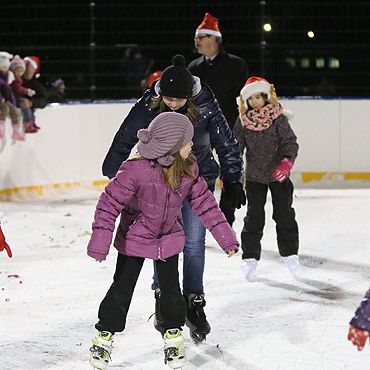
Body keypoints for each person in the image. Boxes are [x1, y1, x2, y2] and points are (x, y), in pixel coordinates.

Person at [102, 54, 245, 342]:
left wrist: (231, 180)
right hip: (157, 184)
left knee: (193, 244)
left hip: (195, 178)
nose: (173, 103)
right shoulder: (150, 102)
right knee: (160, 239)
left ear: (189, 96)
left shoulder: (205, 103)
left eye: (179, 100)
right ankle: (164, 296)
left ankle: (193, 300)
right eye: (168, 98)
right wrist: (114, 164)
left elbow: (224, 141)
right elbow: (128, 132)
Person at [87, 112, 239, 370]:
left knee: (171, 291)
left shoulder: (188, 169)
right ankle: (104, 337)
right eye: (187, 141)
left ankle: (172, 336)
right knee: (122, 290)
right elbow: (108, 204)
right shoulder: (135, 170)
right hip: (134, 238)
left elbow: (207, 206)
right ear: (172, 144)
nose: (192, 145)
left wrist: (226, 239)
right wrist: (100, 242)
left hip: (168, 238)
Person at [233, 76, 299, 280]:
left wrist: (286, 163)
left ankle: (290, 254)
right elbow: (236, 147)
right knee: (254, 217)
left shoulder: (278, 118)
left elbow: (290, 143)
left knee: (284, 213)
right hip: (254, 177)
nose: (254, 102)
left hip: (279, 176)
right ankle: (250, 257)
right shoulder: (243, 121)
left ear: (265, 97)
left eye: (258, 97)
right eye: (250, 98)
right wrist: (234, 170)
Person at [188, 12, 248, 227]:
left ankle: (225, 219)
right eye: (196, 38)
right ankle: (201, 214)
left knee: (231, 171)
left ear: (213, 39)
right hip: (200, 129)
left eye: (200, 38)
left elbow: (243, 98)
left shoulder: (236, 65)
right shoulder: (194, 68)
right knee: (201, 172)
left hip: (230, 128)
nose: (196, 42)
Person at [0, 52, 25, 141]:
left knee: (14, 111)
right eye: (3, 67)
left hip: (5, 99)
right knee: (5, 109)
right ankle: (1, 129)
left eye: (6, 67)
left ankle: (16, 132)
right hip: (1, 100)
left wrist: (13, 103)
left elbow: (9, 92)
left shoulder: (7, 78)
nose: (5, 69)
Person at [21, 56, 48, 133]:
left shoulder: (36, 86)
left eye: (30, 67)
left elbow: (44, 100)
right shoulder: (15, 81)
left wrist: (31, 103)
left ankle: (30, 122)